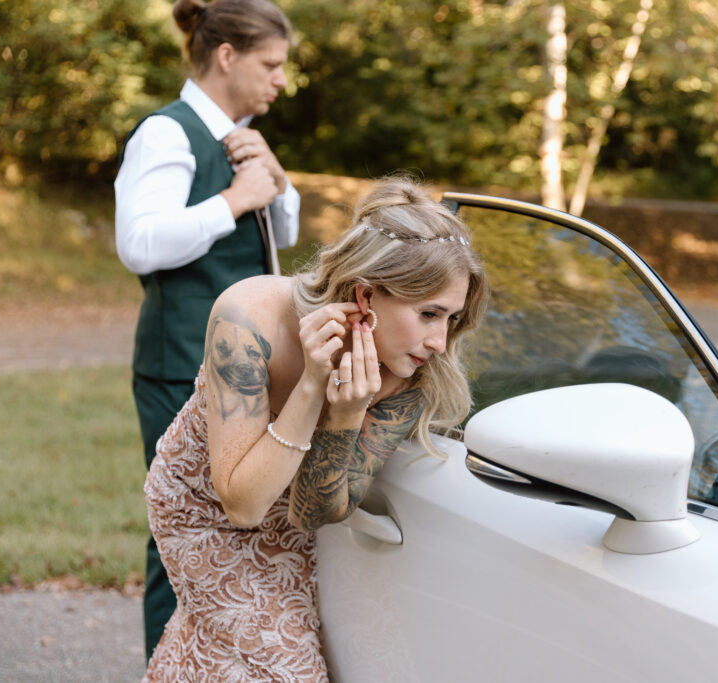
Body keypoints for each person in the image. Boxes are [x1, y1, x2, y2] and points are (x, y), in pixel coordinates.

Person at [142, 177, 489, 679]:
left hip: (297, 533)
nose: (440, 340)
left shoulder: (411, 376)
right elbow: (242, 504)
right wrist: (312, 385)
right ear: (365, 297)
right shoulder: (249, 317)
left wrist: (346, 417)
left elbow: (312, 513)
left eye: (452, 319)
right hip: (206, 509)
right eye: (429, 314)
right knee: (288, 669)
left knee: (226, 656)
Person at [113, 0, 300, 659]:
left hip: (249, 364)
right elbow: (138, 243)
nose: (282, 79)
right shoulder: (167, 134)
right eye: (271, 64)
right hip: (180, 360)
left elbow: (285, 237)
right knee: (183, 533)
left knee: (243, 529)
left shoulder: (245, 137)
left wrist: (272, 178)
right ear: (228, 56)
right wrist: (234, 199)